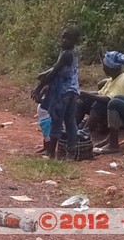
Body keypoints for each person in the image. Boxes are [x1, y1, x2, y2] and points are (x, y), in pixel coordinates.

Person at [31, 25, 81, 159]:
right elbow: (56, 68)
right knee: (71, 122)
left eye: (68, 38)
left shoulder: (66, 53)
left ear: (75, 40)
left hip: (63, 92)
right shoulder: (73, 53)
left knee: (56, 121)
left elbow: (55, 71)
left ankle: (51, 153)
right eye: (63, 37)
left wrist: (39, 87)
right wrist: (44, 74)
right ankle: (71, 153)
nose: (64, 40)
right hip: (74, 91)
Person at [77, 51, 124, 133]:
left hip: (123, 118)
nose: (103, 68)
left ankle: (84, 132)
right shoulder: (113, 79)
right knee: (82, 100)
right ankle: (74, 128)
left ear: (111, 68)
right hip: (114, 112)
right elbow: (100, 93)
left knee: (100, 105)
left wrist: (84, 93)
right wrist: (81, 93)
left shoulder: (123, 80)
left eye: (104, 66)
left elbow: (109, 99)